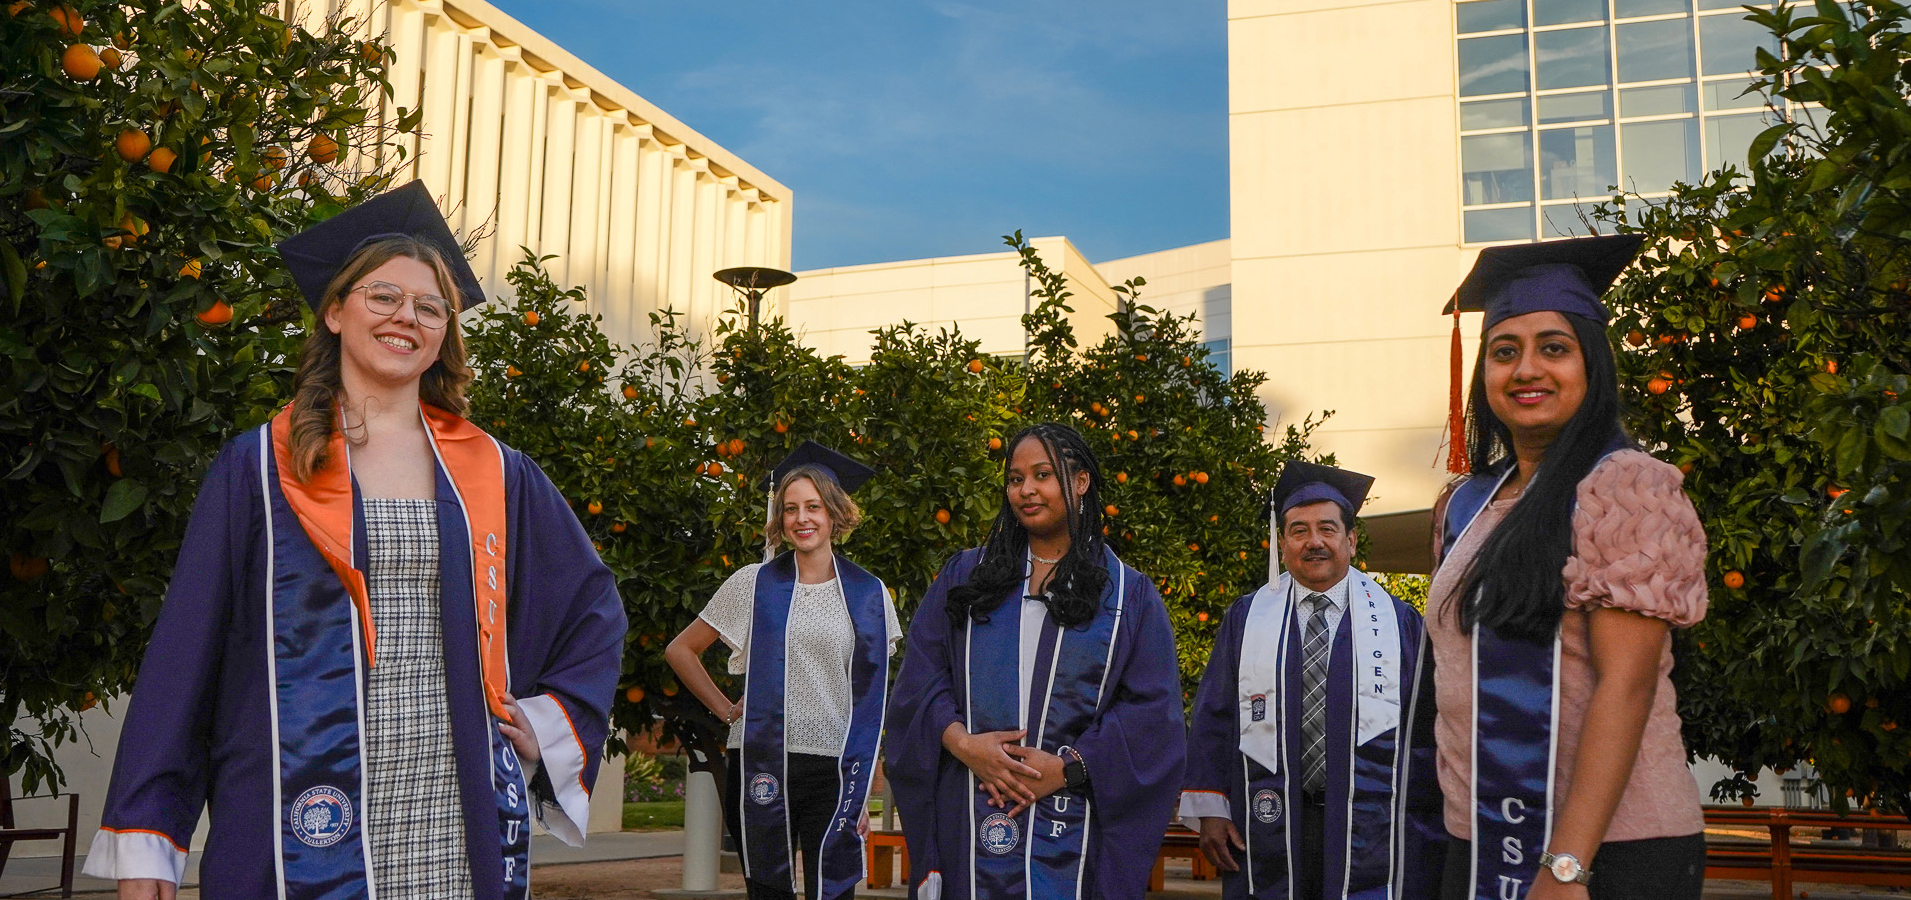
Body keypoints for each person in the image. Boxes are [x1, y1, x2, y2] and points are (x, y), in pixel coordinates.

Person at [83, 181, 628, 900]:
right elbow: (188, 653)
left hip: (450, 802)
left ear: (444, 335)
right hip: (291, 805)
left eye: (430, 306)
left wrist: (542, 722)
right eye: (384, 297)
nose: (407, 316)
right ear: (335, 311)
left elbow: (591, 607)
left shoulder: (496, 474)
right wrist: (149, 836)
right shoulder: (258, 467)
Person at [1428, 234, 1708, 900]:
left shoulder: (1623, 487)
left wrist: (1564, 865)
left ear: (1592, 365)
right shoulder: (1468, 505)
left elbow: (1626, 684)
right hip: (1477, 838)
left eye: (1553, 348)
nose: (1526, 370)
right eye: (1504, 351)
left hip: (1606, 852)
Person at [885, 422, 1186, 900]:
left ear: (1081, 482)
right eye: (1015, 478)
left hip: (1073, 824)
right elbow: (920, 680)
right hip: (970, 810)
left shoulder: (1128, 594)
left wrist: (1067, 768)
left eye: (1043, 475)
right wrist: (964, 745)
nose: (1026, 490)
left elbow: (1152, 715)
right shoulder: (968, 576)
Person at [1181, 461, 1445, 900]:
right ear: (1282, 543)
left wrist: (1424, 810)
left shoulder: (1399, 622)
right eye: (1299, 530)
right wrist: (1210, 808)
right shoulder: (1247, 619)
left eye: (1327, 528)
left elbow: (1427, 726)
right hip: (1269, 815)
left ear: (1351, 540)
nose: (1314, 542)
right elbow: (1215, 714)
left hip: (1372, 820)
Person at [665, 441, 902, 900]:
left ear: (834, 513)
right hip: (760, 760)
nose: (802, 518)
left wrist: (863, 793)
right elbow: (681, 650)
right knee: (768, 891)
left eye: (813, 506)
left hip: (836, 769)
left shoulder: (870, 594)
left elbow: (871, 698)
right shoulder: (753, 582)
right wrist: (726, 709)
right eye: (790, 508)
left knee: (832, 892)